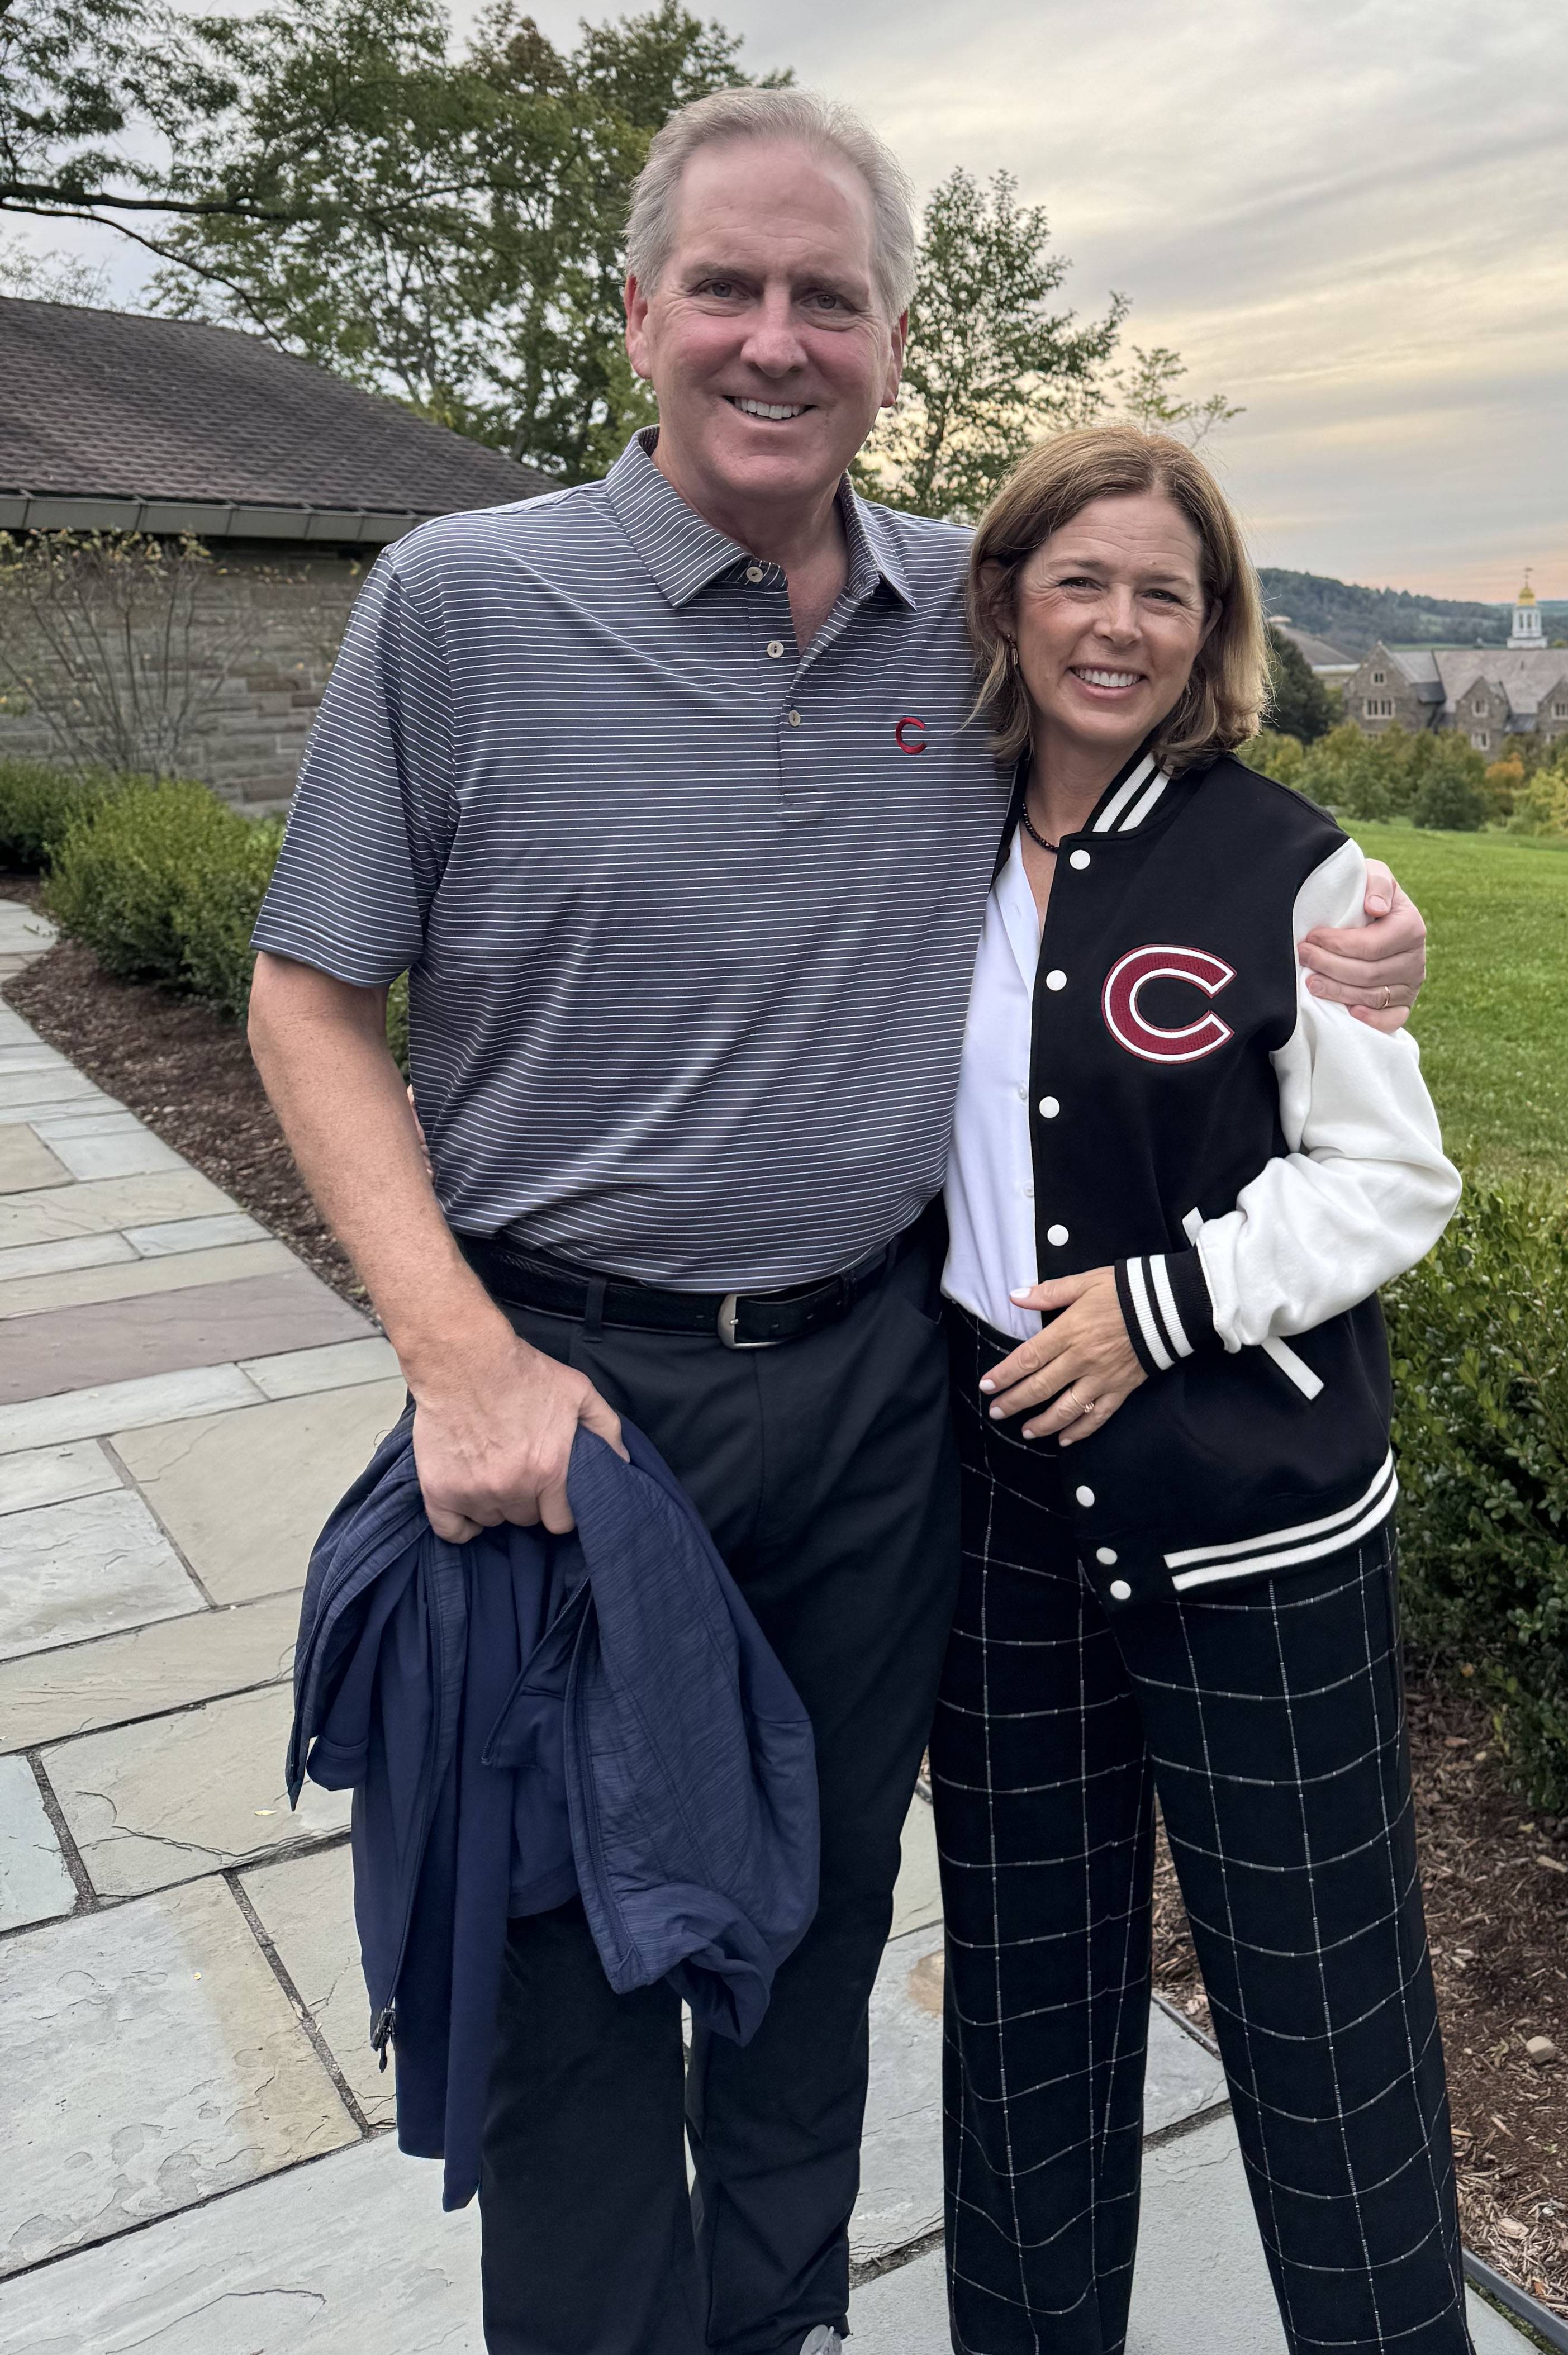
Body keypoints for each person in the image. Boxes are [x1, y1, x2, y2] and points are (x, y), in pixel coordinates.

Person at [246, 88, 1431, 2355]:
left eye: (827, 298)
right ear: (637, 318)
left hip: (881, 1409)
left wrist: (1362, 938)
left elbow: (1159, 832)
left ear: (891, 343)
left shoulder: (949, 640)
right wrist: (453, 1359)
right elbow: (306, 992)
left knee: (800, 1948)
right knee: (575, 1965)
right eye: (727, 288)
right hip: (567, 1396)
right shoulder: (460, 605)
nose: (773, 341)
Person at [932, 424, 1470, 2354]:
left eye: (1165, 590)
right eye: (1079, 578)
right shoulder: (923, 823)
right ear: (1005, 596)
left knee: (1325, 2021)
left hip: (1259, 1519)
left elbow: (1390, 1180)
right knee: (1022, 2006)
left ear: (1213, 627)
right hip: (1000, 1509)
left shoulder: (1304, 869)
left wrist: (1156, 1308)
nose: (1119, 623)